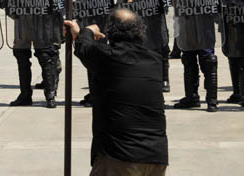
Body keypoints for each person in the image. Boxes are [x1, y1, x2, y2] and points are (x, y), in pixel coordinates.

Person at [65, 9, 168, 176]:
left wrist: (88, 30)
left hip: (120, 157)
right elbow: (101, 53)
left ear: (110, 31)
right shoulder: (154, 60)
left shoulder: (108, 57)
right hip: (156, 155)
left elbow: (84, 48)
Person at [172, 0, 219, 112]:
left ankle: (212, 100)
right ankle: (191, 97)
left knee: (208, 60)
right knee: (188, 59)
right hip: (187, 22)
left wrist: (197, 0)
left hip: (204, 22)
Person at [116, 0, 170, 94]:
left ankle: (164, 79)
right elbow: (120, 0)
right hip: (134, 21)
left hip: (153, 18)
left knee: (159, 48)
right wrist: (125, 3)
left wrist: (140, 4)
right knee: (137, 51)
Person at [8, 0, 57, 108]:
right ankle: (25, 95)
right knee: (22, 59)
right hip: (23, 25)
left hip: (41, 25)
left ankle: (50, 95)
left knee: (45, 58)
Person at [75, 0, 111, 107]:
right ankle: (93, 91)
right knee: (90, 59)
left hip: (101, 24)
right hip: (89, 21)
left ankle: (100, 94)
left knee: (99, 60)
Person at [144, 0, 172, 92]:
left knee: (161, 46)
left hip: (157, 14)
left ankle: (164, 79)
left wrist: (162, 4)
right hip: (140, 15)